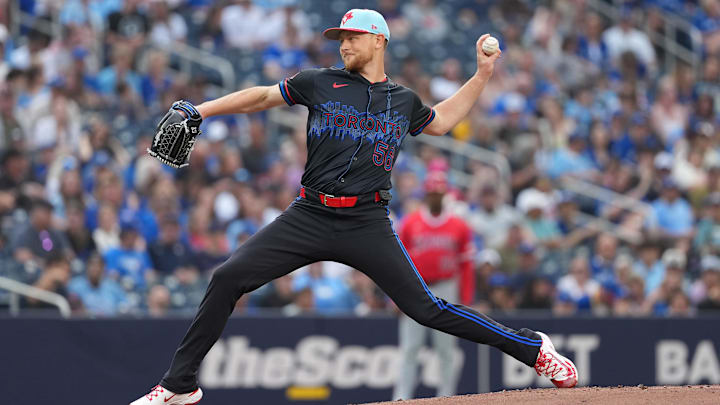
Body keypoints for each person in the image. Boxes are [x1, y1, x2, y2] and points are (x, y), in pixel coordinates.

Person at [130, 9, 577, 405]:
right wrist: (202, 111)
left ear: (379, 40)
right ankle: (179, 385)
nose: (343, 44)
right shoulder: (319, 82)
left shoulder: (403, 100)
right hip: (310, 214)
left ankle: (533, 349)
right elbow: (264, 96)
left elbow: (440, 123)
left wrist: (481, 75)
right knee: (227, 277)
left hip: (366, 221)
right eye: (339, 38)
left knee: (427, 309)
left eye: (352, 36)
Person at [393, 171, 474, 400]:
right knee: (410, 348)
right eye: (432, 193)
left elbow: (466, 266)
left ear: (445, 194)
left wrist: (465, 299)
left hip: (447, 286)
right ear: (426, 194)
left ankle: (446, 397)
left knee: (446, 349)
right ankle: (402, 397)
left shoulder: (458, 225)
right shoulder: (411, 222)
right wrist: (395, 296)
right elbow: (396, 261)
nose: (435, 197)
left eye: (439, 193)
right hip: (415, 287)